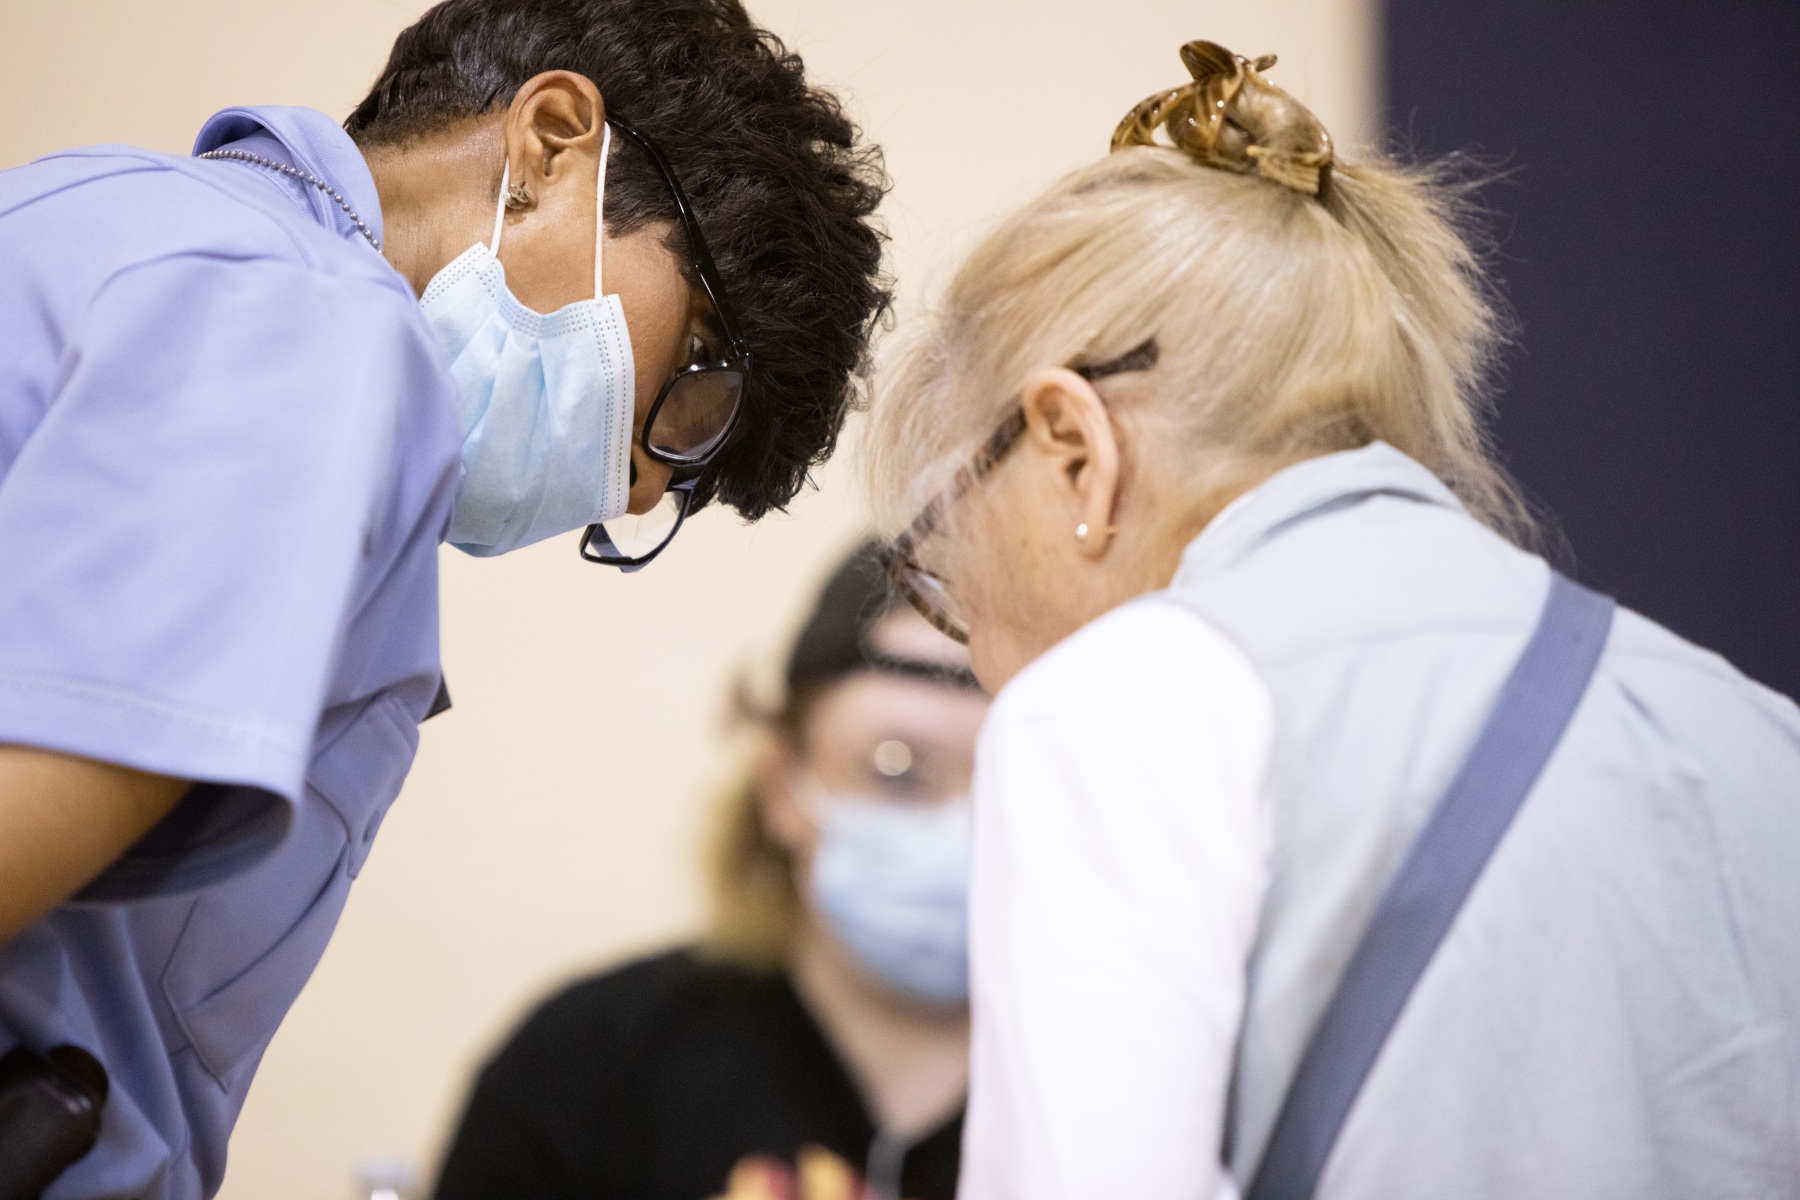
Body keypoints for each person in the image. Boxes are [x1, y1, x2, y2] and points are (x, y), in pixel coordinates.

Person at [865, 38, 1800, 1200]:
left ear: (1073, 450)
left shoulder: (1116, 713)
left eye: (946, 551)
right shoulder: (1754, 732)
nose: (983, 657)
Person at [0, 1, 888, 1193]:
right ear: (552, 144)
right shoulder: (315, 324)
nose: (637, 486)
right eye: (695, 388)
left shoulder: (93, 210)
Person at [433, 542, 982, 1200]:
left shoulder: (1095, 1089)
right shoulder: (588, 1066)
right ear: (781, 782)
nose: (965, 825)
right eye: (896, 768)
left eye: (1015, 777)